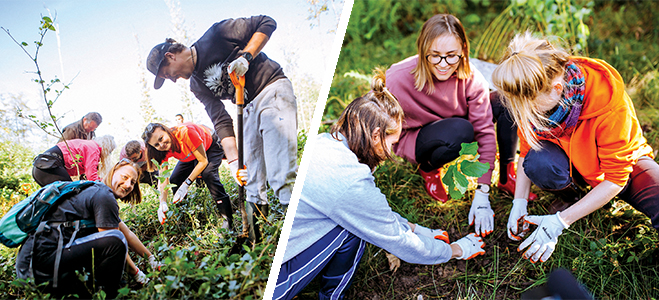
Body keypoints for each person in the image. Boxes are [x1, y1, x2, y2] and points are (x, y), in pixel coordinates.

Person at [273, 71, 486, 300]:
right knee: (354, 230)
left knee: (355, 224)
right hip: (277, 280)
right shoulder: (350, 181)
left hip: (288, 244)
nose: (393, 151)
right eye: (392, 142)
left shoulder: (326, 142)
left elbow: (371, 213)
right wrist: (455, 250)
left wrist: (418, 229)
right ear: (376, 136)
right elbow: (397, 240)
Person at [492, 32, 659, 263]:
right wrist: (518, 202)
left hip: (619, 171)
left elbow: (617, 178)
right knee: (538, 163)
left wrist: (561, 222)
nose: (524, 112)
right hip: (571, 165)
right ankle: (572, 197)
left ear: (557, 88)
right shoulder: (531, 92)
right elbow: (528, 150)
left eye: (528, 105)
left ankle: (573, 209)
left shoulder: (608, 102)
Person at [146, 15, 297, 242]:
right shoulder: (196, 85)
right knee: (252, 181)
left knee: (280, 173)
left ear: (171, 56)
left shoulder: (216, 35)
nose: (173, 80)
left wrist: (247, 56)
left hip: (271, 90)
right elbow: (220, 120)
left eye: (168, 74)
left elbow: (267, 22)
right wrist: (234, 160)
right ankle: (256, 242)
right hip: (246, 109)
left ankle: (300, 234)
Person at [385, 14, 533, 237]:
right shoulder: (397, 78)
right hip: (418, 137)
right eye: (435, 56)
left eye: (451, 56)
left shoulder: (471, 78)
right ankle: (429, 169)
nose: (443, 65)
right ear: (423, 49)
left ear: (463, 50)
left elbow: (484, 133)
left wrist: (482, 192)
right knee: (459, 131)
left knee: (505, 102)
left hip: (458, 125)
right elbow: (379, 123)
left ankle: (506, 177)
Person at [16, 159, 163, 299]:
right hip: (40, 264)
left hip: (31, 263)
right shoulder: (104, 195)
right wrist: (137, 274)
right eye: (124, 177)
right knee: (115, 241)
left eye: (132, 182)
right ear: (114, 171)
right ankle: (105, 294)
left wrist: (151, 259)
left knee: (116, 238)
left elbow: (128, 233)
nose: (128, 184)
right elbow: (116, 241)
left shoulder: (96, 190)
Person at [142, 122, 243, 230]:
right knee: (175, 179)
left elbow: (203, 161)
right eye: (156, 145)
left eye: (161, 138)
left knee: (208, 174)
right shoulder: (162, 151)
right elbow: (163, 178)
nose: (161, 145)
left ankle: (227, 218)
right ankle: (185, 213)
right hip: (189, 154)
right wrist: (162, 202)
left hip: (210, 145)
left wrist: (187, 183)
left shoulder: (186, 133)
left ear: (166, 131)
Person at [32, 135, 116, 187]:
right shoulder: (94, 148)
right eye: (109, 152)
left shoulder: (87, 145)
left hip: (40, 167)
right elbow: (92, 178)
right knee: (71, 194)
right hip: (49, 166)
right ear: (106, 148)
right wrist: (107, 184)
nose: (108, 155)